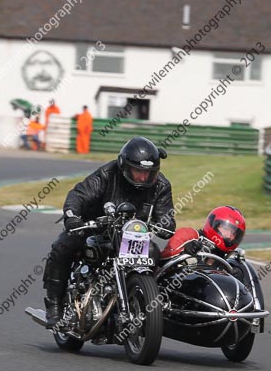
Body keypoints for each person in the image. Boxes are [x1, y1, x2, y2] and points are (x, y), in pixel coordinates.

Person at [42, 137, 176, 328]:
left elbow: (166, 216)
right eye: (138, 171)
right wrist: (73, 217)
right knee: (63, 245)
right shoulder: (107, 174)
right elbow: (78, 195)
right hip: (93, 229)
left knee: (153, 252)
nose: (142, 178)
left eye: (148, 173)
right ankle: (54, 305)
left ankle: (141, 301)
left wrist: (167, 224)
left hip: (132, 235)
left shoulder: (161, 185)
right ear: (124, 166)